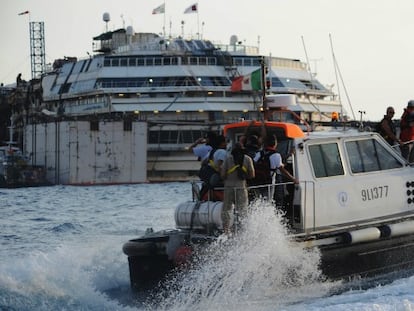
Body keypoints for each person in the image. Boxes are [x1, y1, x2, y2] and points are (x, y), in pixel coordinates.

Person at [254, 135, 298, 207]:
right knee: (268, 200)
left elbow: (253, 164)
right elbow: (282, 169)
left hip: (258, 181)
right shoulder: (276, 155)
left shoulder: (259, 153)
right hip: (269, 181)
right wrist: (293, 179)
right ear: (275, 144)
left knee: (259, 199)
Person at [220, 143, 255, 234]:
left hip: (229, 187)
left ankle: (226, 230)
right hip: (241, 187)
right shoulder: (247, 159)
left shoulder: (228, 159)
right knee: (242, 209)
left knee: (226, 210)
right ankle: (242, 230)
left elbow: (222, 175)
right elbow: (252, 175)